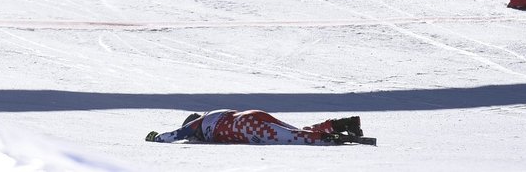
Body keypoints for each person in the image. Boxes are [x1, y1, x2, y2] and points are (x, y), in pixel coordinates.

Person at [145, 110, 364, 145]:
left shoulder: (201, 122)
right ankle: (341, 125)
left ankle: (331, 138)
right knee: (295, 130)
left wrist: (156, 137)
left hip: (243, 126)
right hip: (250, 115)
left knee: (291, 137)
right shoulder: (214, 114)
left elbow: (178, 134)